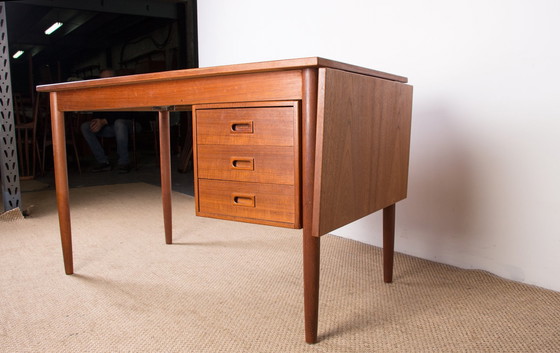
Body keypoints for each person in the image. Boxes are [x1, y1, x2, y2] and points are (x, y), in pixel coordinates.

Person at [80, 69, 140, 173]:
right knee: (86, 127)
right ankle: (103, 162)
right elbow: (97, 115)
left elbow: (127, 113)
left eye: (107, 79)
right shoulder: (100, 95)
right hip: (111, 128)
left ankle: (123, 162)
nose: (104, 82)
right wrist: (96, 122)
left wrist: (104, 121)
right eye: (102, 80)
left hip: (130, 125)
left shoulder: (123, 92)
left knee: (119, 123)